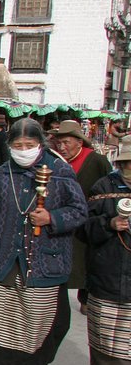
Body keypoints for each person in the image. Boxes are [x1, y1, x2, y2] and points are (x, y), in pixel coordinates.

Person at [0, 118, 88, 365]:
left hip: (43, 259)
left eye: (29, 145)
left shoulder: (61, 173)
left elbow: (80, 211)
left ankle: (34, 362)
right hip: (2, 256)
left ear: (41, 145)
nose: (23, 150)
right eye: (17, 145)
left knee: (37, 318)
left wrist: (52, 217)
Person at [80, 135, 131, 365]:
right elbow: (84, 227)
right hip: (106, 269)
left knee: (125, 337)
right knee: (101, 331)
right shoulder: (104, 187)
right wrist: (109, 223)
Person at [51, 120, 111, 310]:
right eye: (59, 142)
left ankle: (85, 298)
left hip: (87, 221)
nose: (62, 147)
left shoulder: (96, 161)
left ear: (79, 142)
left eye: (66, 142)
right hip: (61, 219)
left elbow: (109, 188)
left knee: (86, 259)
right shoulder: (55, 162)